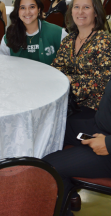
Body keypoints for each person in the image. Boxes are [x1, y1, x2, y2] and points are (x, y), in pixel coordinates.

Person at [43, 79, 111, 216]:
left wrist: (108, 144)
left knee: (48, 168)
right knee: (48, 130)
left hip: (108, 147)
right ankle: (69, 194)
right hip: (100, 126)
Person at [52, 0, 111, 118]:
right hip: (67, 104)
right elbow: (57, 68)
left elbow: (103, 82)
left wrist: (70, 80)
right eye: (76, 7)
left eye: (86, 7)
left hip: (94, 110)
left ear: (96, 12)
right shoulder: (69, 39)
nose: (80, 12)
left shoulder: (104, 41)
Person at [0, 0, 67, 65]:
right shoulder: (8, 38)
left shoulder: (59, 34)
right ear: (17, 11)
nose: (27, 12)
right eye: (22, 8)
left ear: (39, 9)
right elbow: (5, 68)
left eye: (32, 7)